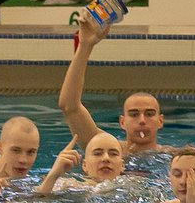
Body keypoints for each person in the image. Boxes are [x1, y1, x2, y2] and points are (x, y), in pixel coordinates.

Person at [60, 12, 170, 154]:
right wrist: (85, 45)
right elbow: (69, 106)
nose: (142, 120)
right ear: (122, 122)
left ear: (160, 121)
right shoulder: (107, 151)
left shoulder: (176, 157)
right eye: (134, 114)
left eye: (149, 114)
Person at [36, 132, 126, 195]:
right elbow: (37, 201)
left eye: (113, 154)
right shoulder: (70, 185)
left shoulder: (131, 186)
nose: (106, 158)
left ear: (122, 166)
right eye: (98, 153)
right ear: (84, 165)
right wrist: (54, 174)